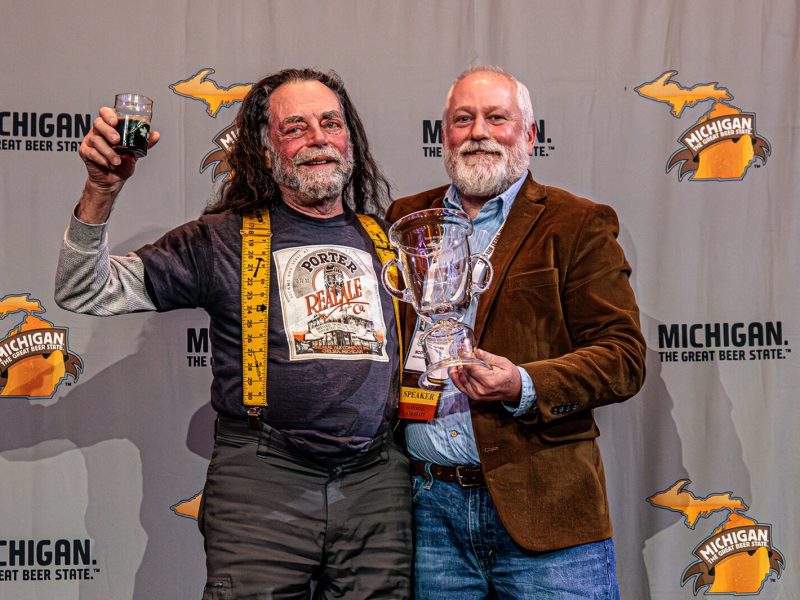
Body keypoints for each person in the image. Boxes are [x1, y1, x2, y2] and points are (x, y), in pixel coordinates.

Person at [55, 68, 411, 599]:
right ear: (267, 153)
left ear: (350, 140)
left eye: (330, 123)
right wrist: (100, 189)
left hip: (377, 483)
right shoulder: (220, 238)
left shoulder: (392, 241)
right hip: (262, 482)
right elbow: (84, 290)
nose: (317, 138)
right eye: (295, 128)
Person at [385, 65, 646, 599]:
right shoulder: (407, 219)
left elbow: (623, 357)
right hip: (428, 511)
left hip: (546, 510)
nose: (478, 131)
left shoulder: (577, 223)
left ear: (528, 134)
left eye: (496, 117)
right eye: (463, 119)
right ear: (444, 136)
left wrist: (524, 383)